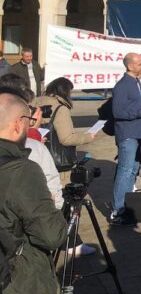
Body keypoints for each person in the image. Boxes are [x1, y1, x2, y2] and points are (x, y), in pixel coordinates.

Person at [0, 91, 68, 294]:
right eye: (29, 121)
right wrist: (47, 203)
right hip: (18, 277)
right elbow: (52, 236)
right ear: (19, 124)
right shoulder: (22, 170)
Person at [110, 52, 141, 226]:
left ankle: (126, 206)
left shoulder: (136, 82)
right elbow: (118, 112)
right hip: (127, 134)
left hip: (138, 133)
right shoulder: (122, 85)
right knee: (125, 170)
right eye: (139, 64)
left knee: (132, 170)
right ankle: (117, 211)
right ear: (130, 66)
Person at [35, 77, 97, 153]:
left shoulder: (33, 102)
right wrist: (88, 137)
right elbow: (66, 139)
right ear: (66, 92)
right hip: (51, 156)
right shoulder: (60, 109)